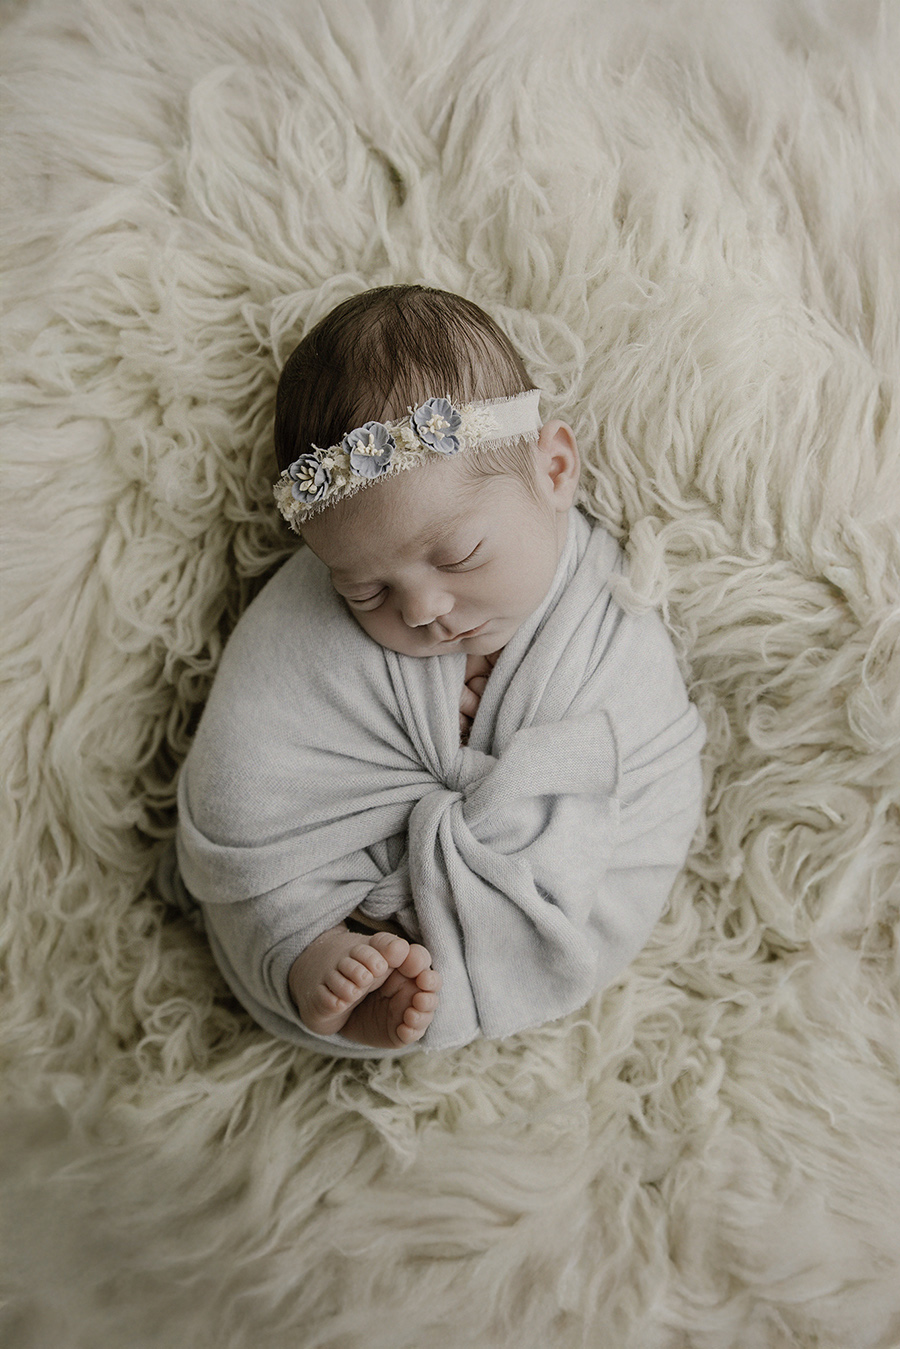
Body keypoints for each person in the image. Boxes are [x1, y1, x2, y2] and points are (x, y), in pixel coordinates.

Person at [173, 285, 705, 1058]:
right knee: (269, 870)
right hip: (346, 879)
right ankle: (308, 956)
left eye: (459, 556)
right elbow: (250, 780)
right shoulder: (310, 619)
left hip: (574, 884)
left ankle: (422, 965)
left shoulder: (603, 616)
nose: (421, 609)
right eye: (366, 591)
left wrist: (487, 764)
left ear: (555, 469)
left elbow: (642, 759)